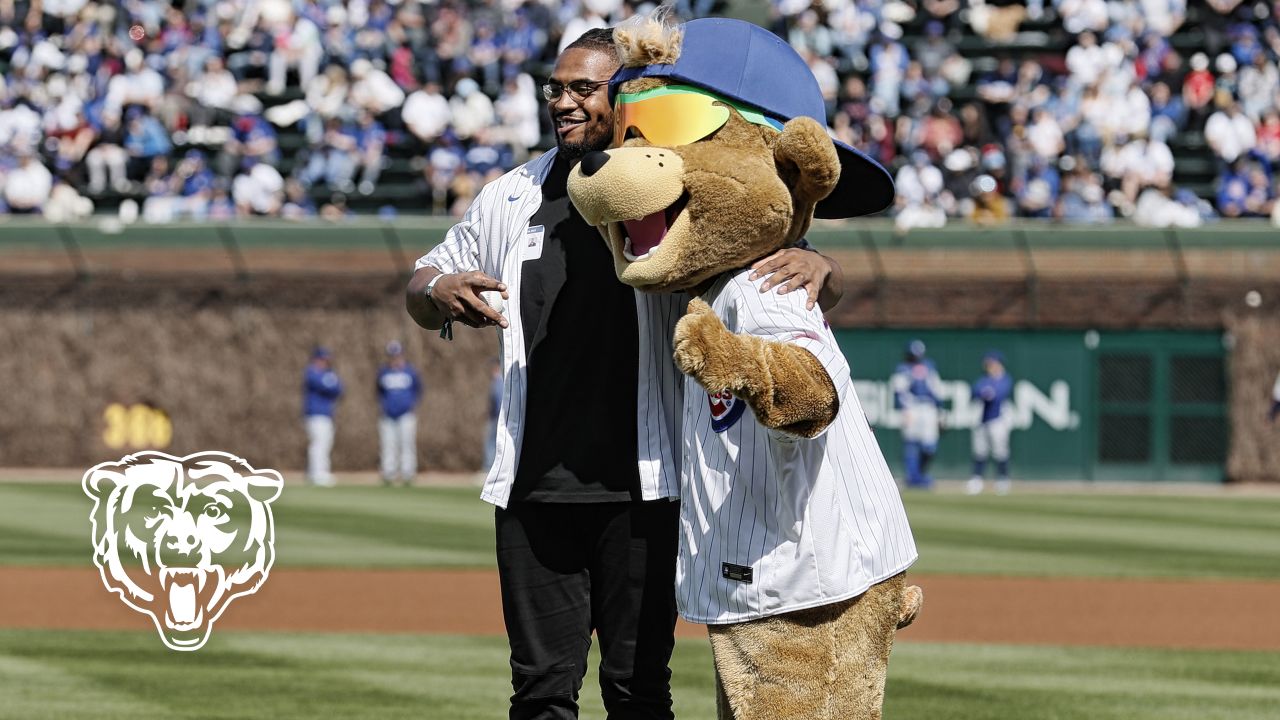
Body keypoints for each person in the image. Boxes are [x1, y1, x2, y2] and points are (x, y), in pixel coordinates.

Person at [405, 28, 847, 720]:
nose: (563, 101)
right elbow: (422, 275)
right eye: (555, 87)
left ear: (628, 97)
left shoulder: (672, 186)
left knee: (637, 693)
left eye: (584, 88)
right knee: (541, 694)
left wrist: (824, 266)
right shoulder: (511, 196)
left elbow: (764, 245)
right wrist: (435, 291)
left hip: (646, 489)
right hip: (533, 490)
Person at [892, 339, 945, 489]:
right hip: (912, 408)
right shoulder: (902, 369)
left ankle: (920, 474)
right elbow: (899, 391)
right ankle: (912, 476)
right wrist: (904, 409)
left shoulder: (929, 367)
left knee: (929, 445)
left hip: (928, 408)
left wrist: (941, 413)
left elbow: (937, 390)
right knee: (911, 443)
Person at [967, 350, 1014, 495]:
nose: (989, 366)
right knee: (980, 451)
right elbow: (975, 391)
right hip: (983, 419)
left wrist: (987, 392)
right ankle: (977, 479)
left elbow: (998, 394)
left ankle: (1003, 479)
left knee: (1000, 451)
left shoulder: (1004, 378)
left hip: (999, 419)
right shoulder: (985, 379)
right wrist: (984, 392)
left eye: (991, 363)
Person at [376, 341, 422, 486]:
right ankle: (389, 473)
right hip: (388, 414)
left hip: (406, 414)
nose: (395, 359)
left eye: (397, 355)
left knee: (407, 444)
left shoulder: (410, 372)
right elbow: (378, 391)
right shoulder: (383, 372)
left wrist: (411, 404)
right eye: (392, 356)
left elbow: (418, 389)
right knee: (388, 445)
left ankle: (408, 474)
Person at [303, 346, 342, 487]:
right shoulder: (311, 372)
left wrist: (330, 382)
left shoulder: (329, 373)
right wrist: (329, 382)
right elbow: (324, 385)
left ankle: (320, 471)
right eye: (322, 359)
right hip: (315, 414)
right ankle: (317, 473)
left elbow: (338, 388)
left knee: (325, 443)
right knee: (318, 443)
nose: (324, 362)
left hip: (326, 414)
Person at [484, 357, 502, 470]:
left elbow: (499, 400)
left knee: (491, 443)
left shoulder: (499, 381)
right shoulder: (496, 381)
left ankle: (488, 467)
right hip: (495, 416)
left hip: (497, 417)